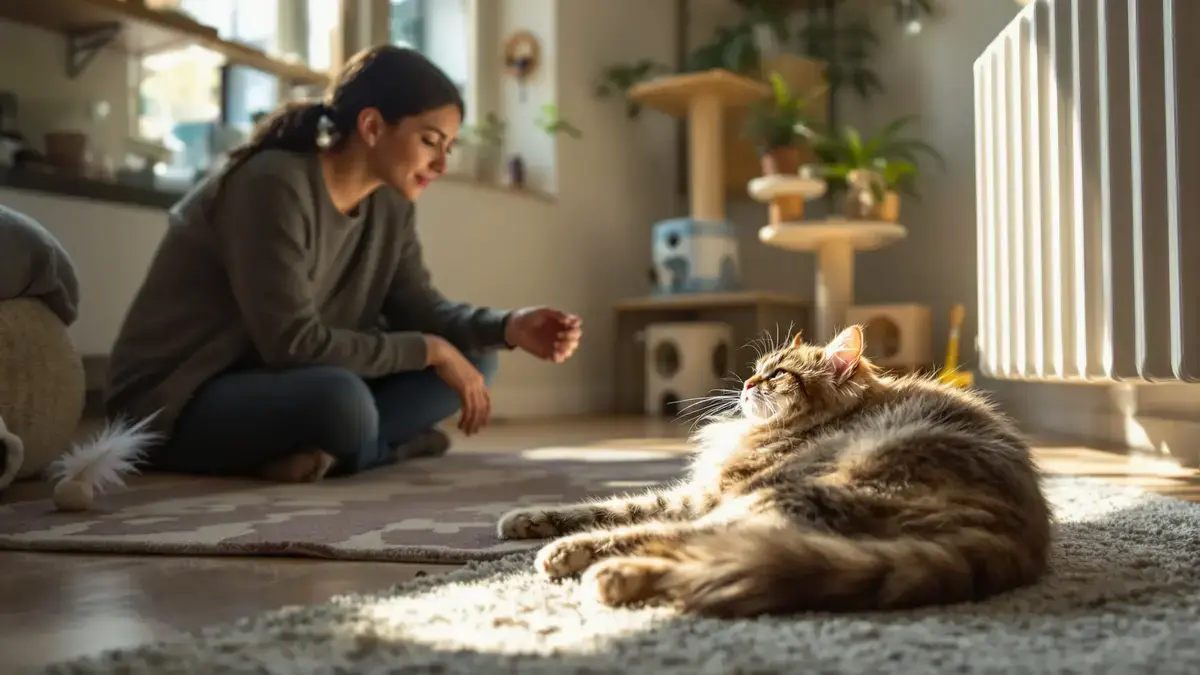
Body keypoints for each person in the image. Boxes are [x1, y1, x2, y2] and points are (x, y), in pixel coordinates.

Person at [104, 45, 582, 483]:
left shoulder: (391, 206)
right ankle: (380, 448)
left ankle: (337, 450)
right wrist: (431, 349)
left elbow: (419, 310)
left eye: (448, 148)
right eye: (430, 141)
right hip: (179, 399)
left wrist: (509, 326)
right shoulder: (272, 185)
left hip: (280, 381)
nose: (441, 164)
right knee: (342, 402)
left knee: (478, 360)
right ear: (372, 127)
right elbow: (291, 344)